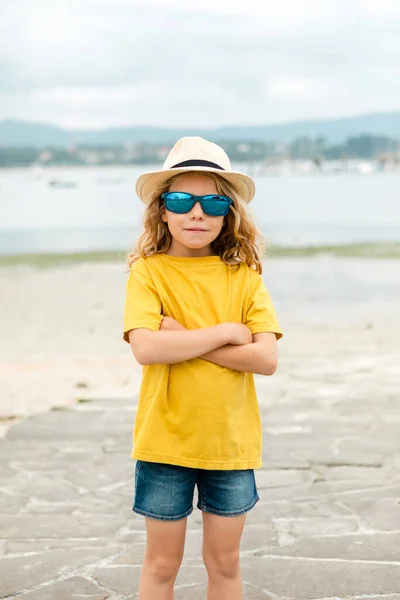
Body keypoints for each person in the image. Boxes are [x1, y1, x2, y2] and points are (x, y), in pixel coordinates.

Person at [123, 136, 283, 600]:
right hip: (164, 442)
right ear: (163, 211)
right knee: (160, 566)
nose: (197, 213)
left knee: (226, 563)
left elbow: (265, 359)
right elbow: (146, 349)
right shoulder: (148, 273)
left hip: (230, 445)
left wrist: (182, 338)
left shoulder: (245, 278)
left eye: (212, 202)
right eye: (181, 200)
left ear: (227, 213)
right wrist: (225, 332)